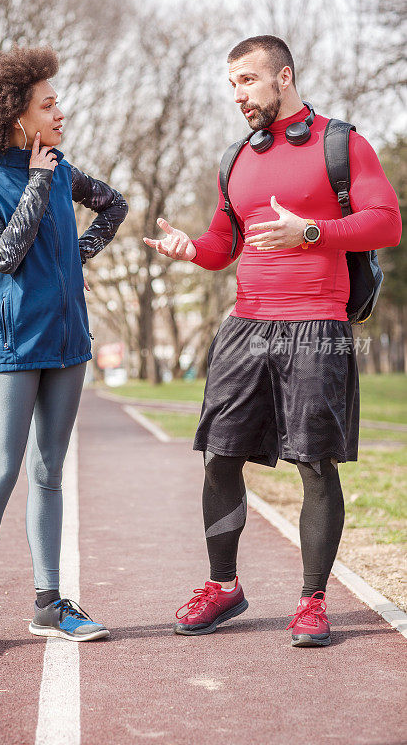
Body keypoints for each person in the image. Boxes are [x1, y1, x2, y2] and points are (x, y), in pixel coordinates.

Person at [144, 35, 401, 647]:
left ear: (284, 76)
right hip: (245, 323)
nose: (239, 95)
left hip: (319, 324)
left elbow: (386, 220)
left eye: (248, 81)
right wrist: (191, 249)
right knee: (221, 453)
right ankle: (223, 586)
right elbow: (221, 243)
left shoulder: (342, 144)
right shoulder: (236, 157)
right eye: (232, 83)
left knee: (314, 462)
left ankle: (313, 601)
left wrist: (310, 230)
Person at [0, 46, 128, 656]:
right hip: (9, 347)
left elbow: (114, 204)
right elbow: (2, 253)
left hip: (67, 341)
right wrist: (42, 180)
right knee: (0, 470)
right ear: (16, 114)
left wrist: (78, 255)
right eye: (48, 104)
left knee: (49, 471)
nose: (61, 112)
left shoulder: (61, 166)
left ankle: (50, 604)